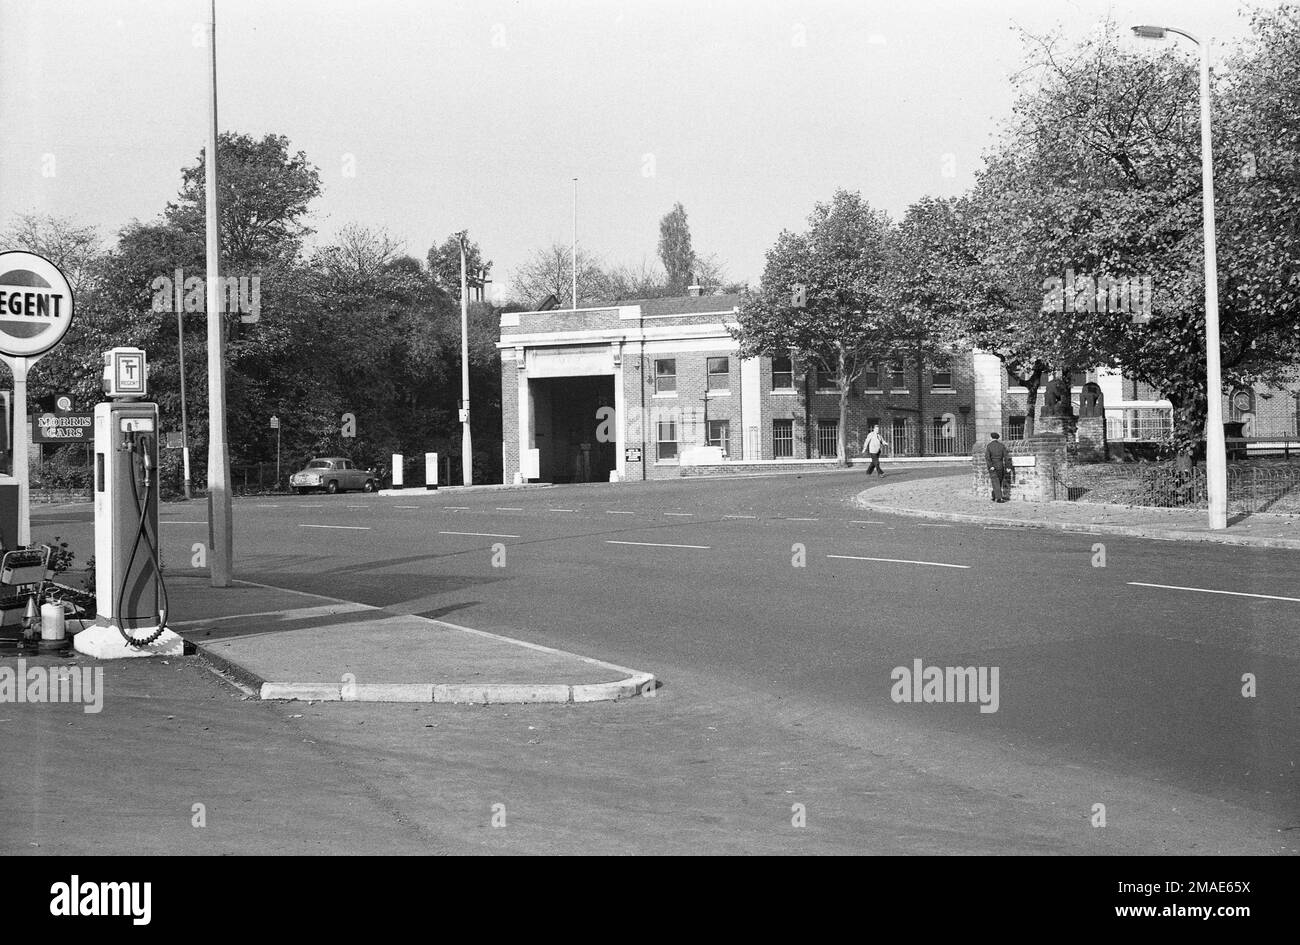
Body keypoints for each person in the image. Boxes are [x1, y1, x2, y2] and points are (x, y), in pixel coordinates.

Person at [986, 432, 1011, 502]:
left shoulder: (989, 446)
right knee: (998, 481)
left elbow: (987, 457)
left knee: (995, 481)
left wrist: (990, 466)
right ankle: (994, 496)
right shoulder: (1001, 446)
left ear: (991, 438)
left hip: (993, 466)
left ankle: (999, 498)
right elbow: (1006, 457)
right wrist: (1008, 467)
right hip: (1000, 466)